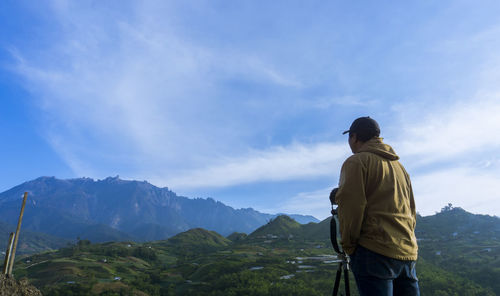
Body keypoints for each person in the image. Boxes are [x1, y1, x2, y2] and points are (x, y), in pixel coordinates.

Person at [333, 116, 419, 296]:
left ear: (354, 137)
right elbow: (411, 209)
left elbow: (352, 208)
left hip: (373, 251)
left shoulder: (356, 162)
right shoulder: (400, 168)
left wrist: (349, 246)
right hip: (406, 251)